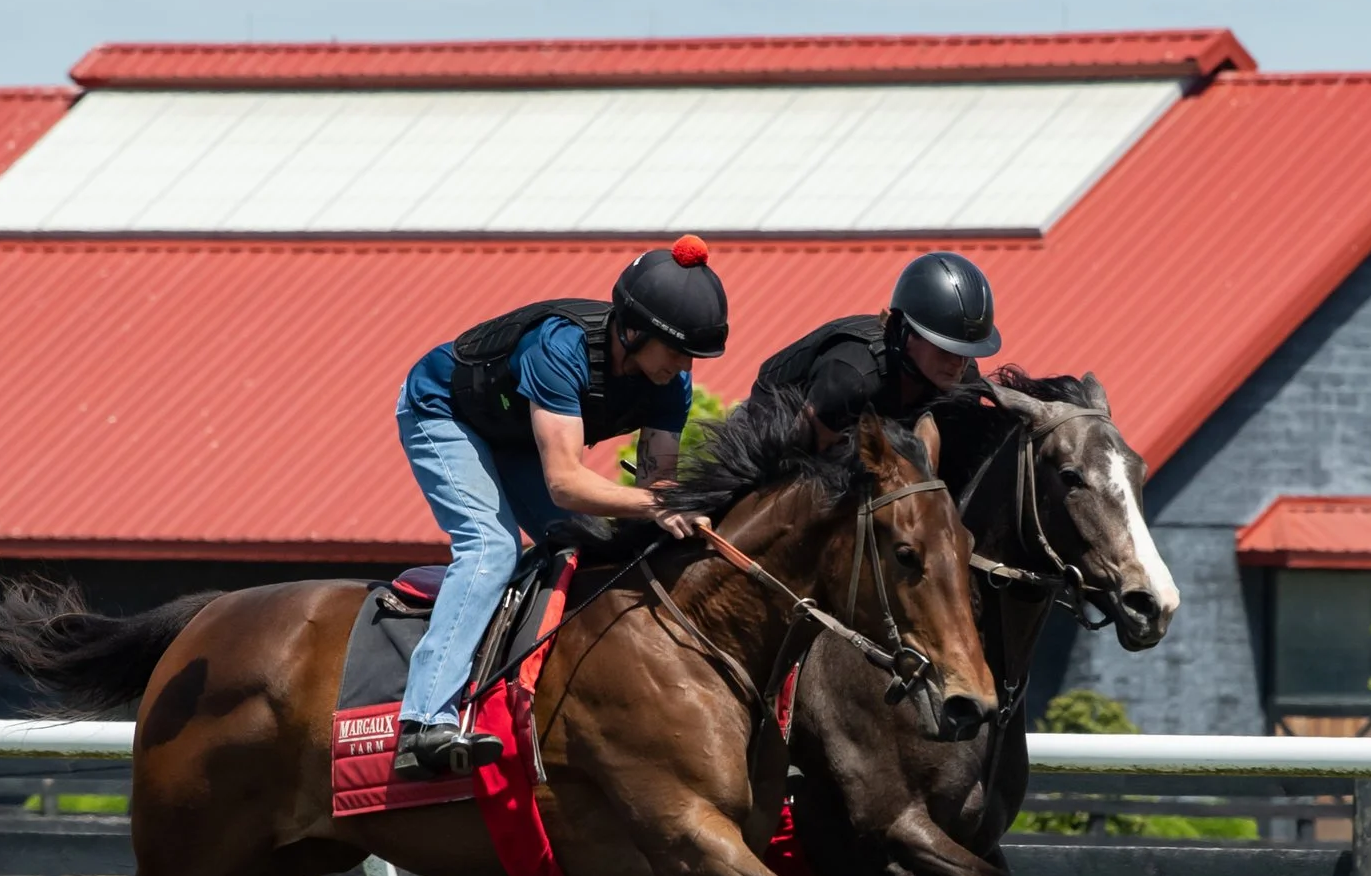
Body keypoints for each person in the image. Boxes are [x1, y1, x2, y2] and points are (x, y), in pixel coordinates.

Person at [392, 236, 727, 775]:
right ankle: (424, 722)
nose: (685, 364)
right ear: (635, 330)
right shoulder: (561, 348)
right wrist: (653, 508)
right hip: (443, 410)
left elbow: (657, 487)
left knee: (592, 543)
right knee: (491, 548)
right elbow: (566, 484)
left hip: (517, 436)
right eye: (678, 349)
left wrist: (682, 513)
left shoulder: (672, 383)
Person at [753, 250, 1003, 443]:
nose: (958, 364)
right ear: (907, 335)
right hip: (772, 425)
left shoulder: (964, 380)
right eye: (945, 349)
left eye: (965, 353)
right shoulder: (853, 378)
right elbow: (802, 460)